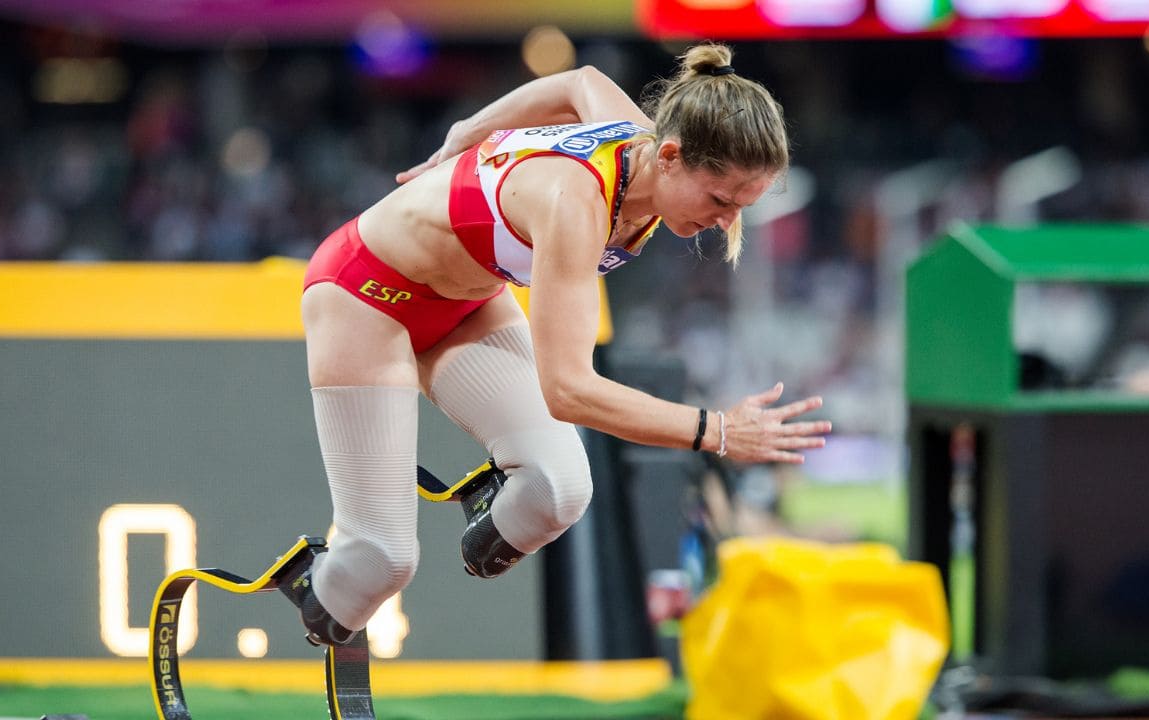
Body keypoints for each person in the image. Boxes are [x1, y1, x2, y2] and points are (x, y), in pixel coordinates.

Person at [285, 43, 832, 646]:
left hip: (465, 303)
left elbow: (581, 81)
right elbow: (568, 390)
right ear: (670, 157)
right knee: (384, 562)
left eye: (741, 208)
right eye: (720, 200)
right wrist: (717, 431)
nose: (725, 222)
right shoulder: (576, 200)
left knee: (558, 490)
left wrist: (469, 130)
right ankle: (316, 583)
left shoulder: (642, 140)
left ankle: (464, 509)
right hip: (365, 294)